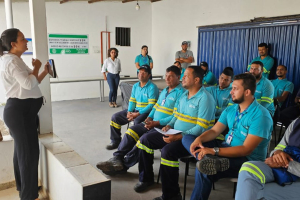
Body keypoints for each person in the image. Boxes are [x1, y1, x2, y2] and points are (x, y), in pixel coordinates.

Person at [183, 73, 273, 200]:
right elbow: (214, 131)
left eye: (235, 88)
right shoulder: (232, 109)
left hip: (246, 159)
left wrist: (214, 151)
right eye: (232, 88)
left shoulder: (260, 115)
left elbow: (246, 149)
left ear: (247, 92)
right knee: (188, 138)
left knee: (204, 170)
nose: (231, 92)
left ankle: (208, 160)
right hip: (224, 149)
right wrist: (199, 139)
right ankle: (207, 159)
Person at [134, 66, 216, 200]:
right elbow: (176, 116)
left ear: (196, 80)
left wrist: (178, 137)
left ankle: (171, 195)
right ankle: (146, 178)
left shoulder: (205, 99)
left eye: (186, 76)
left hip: (193, 138)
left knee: (168, 151)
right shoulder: (184, 95)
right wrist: (169, 125)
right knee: (145, 140)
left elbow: (201, 128)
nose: (182, 78)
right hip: (175, 132)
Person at [96, 66, 185, 175]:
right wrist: (149, 118)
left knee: (143, 140)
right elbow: (156, 106)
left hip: (163, 126)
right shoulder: (165, 90)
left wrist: (155, 122)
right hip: (152, 122)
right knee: (131, 131)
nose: (167, 79)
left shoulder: (181, 93)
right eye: (166, 76)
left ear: (178, 77)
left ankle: (122, 165)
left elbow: (175, 116)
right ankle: (117, 158)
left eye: (170, 76)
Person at [0, 28, 50, 200]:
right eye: (23, 39)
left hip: (23, 113)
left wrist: (43, 70)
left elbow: (33, 80)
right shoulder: (12, 62)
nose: (26, 41)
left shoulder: (16, 60)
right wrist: (36, 67)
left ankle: (23, 189)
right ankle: (29, 196)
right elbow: (29, 84)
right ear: (13, 44)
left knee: (23, 153)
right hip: (19, 113)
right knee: (28, 154)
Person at [236, 117, 300, 200]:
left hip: (291, 170)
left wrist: (287, 164)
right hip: (283, 170)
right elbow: (280, 146)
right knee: (249, 169)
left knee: (255, 190)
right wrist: (277, 154)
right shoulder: (296, 123)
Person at [106, 65, 159, 150]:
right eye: (140, 72)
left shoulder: (152, 87)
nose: (141, 74)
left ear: (149, 75)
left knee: (137, 121)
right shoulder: (135, 86)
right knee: (115, 117)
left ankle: (135, 146)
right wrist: (129, 112)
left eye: (144, 73)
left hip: (146, 112)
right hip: (135, 110)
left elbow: (151, 105)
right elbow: (132, 100)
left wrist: (137, 114)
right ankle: (115, 141)